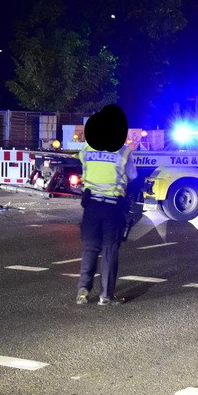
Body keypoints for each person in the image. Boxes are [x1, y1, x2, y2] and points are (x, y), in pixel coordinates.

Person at [76, 104, 138, 306]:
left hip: (90, 207)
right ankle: (106, 296)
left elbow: (85, 169)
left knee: (90, 248)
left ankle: (83, 291)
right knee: (110, 250)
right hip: (112, 207)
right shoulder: (123, 152)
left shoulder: (86, 150)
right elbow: (133, 176)